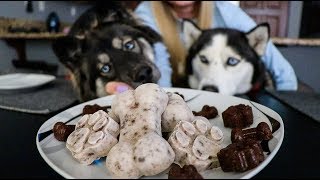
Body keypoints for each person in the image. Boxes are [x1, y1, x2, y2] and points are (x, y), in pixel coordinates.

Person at [106, 1, 298, 94]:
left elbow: (281, 70)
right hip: (176, 93)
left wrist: (287, 114)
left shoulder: (223, 9)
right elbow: (159, 69)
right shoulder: (146, 13)